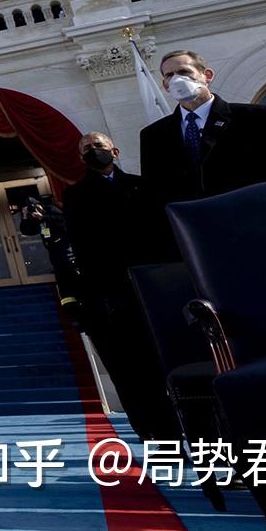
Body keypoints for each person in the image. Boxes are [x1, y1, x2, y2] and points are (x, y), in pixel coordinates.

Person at [58, 131, 176, 439]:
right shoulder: (76, 196)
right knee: (129, 372)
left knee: (164, 366)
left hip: (151, 289)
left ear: (115, 150)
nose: (93, 151)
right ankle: (157, 437)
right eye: (86, 149)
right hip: (108, 295)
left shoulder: (142, 186)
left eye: (98, 146)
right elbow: (78, 248)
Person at [137, 50, 266, 205]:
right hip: (195, 224)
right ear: (165, 85)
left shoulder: (258, 118)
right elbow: (153, 194)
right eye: (170, 75)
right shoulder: (153, 135)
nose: (177, 79)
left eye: (184, 72)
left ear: (207, 76)